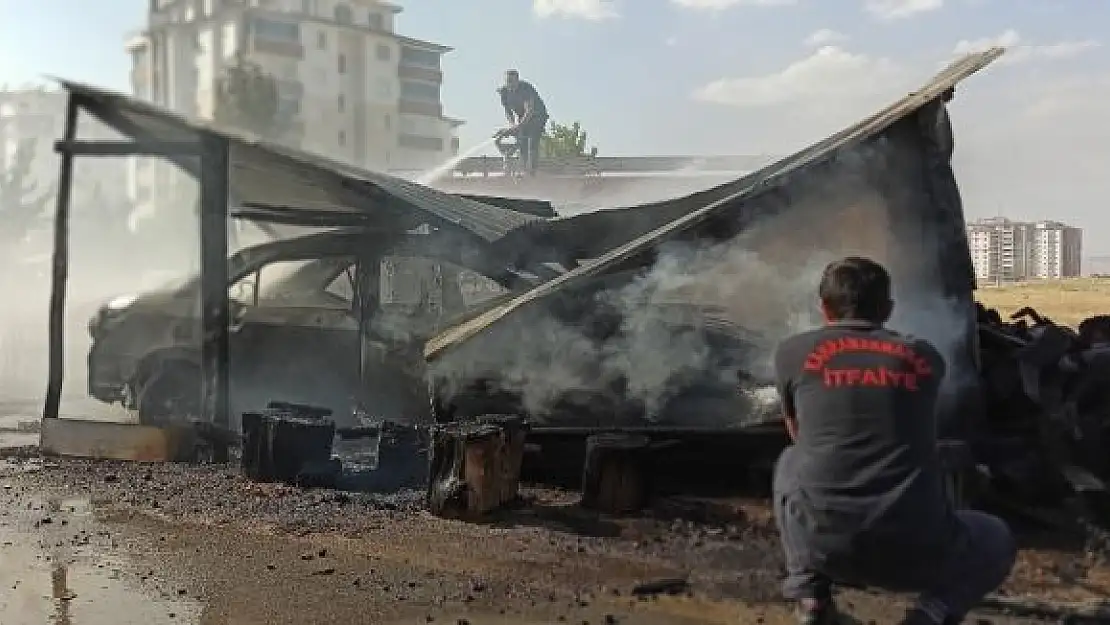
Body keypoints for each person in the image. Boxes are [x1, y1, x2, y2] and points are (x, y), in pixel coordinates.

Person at [772, 257, 1016, 625]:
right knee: (996, 538)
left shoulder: (791, 353)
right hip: (915, 550)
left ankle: (811, 600)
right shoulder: (925, 357)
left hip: (825, 547)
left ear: (823, 308)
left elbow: (799, 435)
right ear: (888, 309)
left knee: (791, 460)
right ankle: (931, 614)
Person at [495, 69, 548, 176]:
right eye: (508, 81)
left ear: (517, 81)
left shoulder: (526, 88)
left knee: (532, 142)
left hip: (538, 116)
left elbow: (529, 110)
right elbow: (508, 112)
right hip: (522, 116)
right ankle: (524, 170)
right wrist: (512, 126)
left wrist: (518, 126)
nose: (510, 85)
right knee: (522, 143)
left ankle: (532, 172)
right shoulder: (503, 93)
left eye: (513, 82)